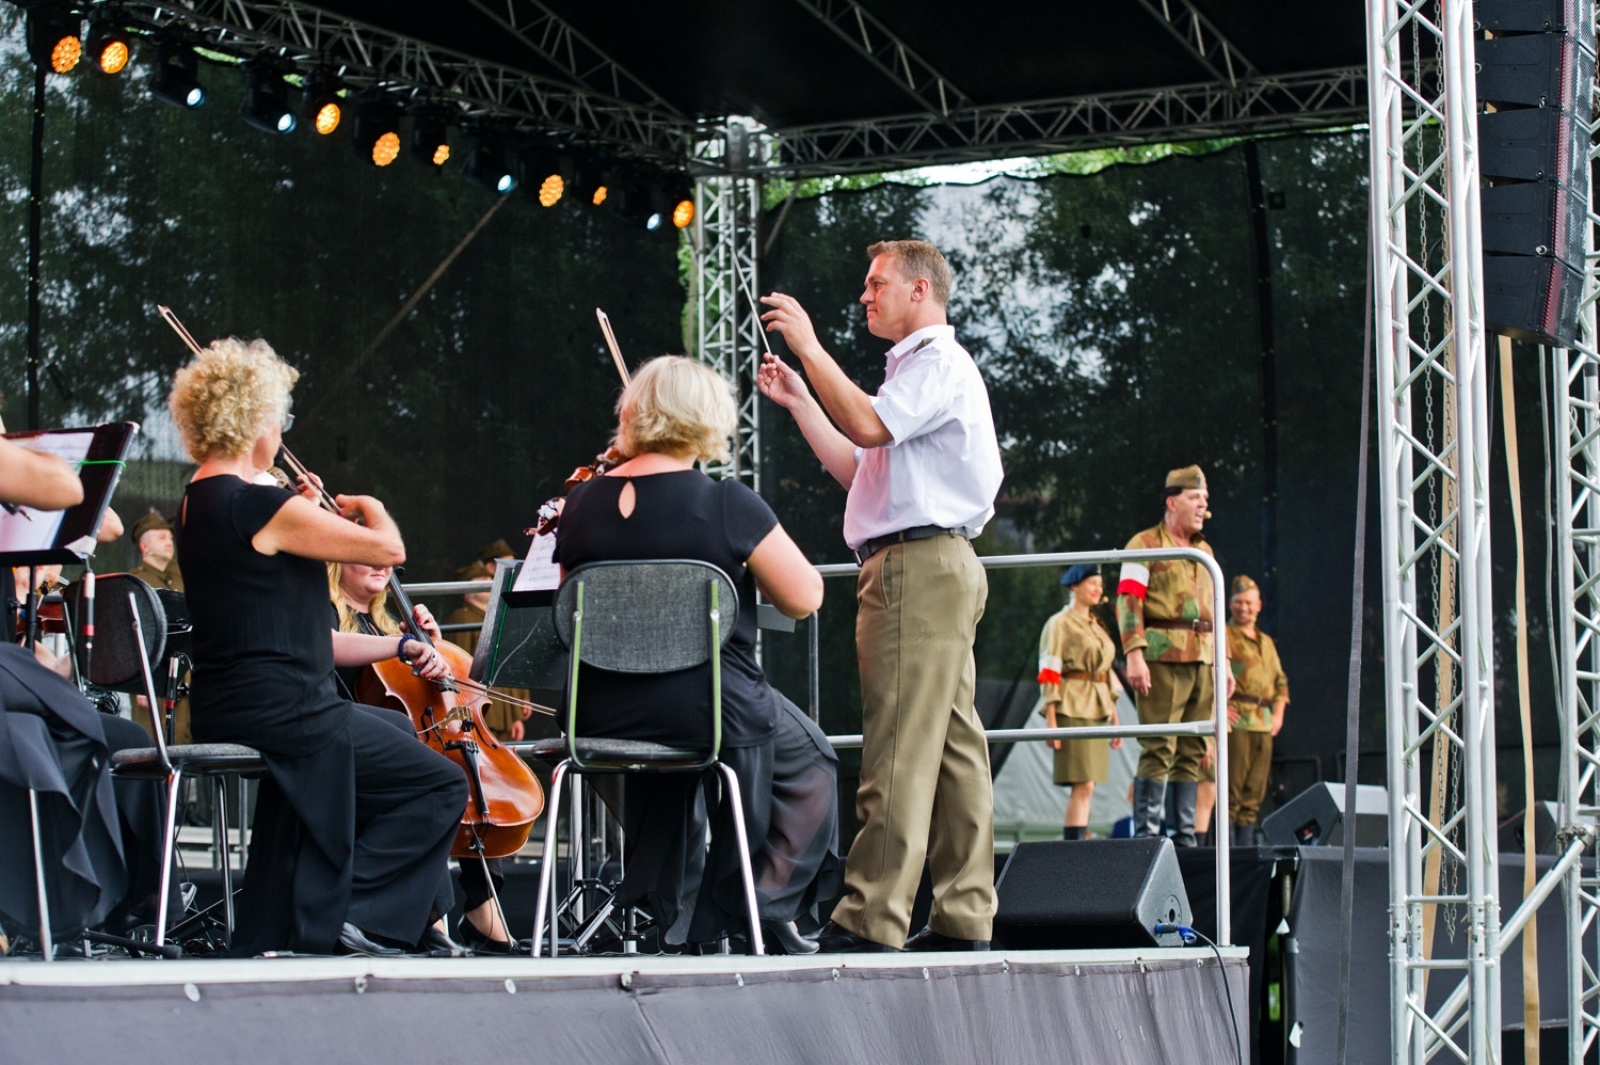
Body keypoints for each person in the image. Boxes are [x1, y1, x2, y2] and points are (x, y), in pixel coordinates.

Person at [168, 335, 469, 957]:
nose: (283, 430)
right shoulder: (258, 503)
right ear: (256, 420)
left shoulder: (201, 500)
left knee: (398, 739)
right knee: (440, 784)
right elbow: (388, 551)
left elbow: (277, 610)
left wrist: (300, 509)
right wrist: (372, 508)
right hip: (289, 709)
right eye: (281, 416)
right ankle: (353, 913)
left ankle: (295, 922)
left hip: (238, 701)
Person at [757, 238, 1003, 953]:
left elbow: (867, 424)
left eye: (877, 284)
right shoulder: (919, 372)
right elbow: (860, 467)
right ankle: (963, 914)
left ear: (920, 291)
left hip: (916, 570)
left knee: (896, 745)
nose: (865, 296)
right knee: (954, 750)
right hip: (929, 564)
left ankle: (870, 915)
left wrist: (809, 347)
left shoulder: (936, 363)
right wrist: (804, 399)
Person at [553, 354, 839, 954]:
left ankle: (673, 912)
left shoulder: (577, 507)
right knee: (812, 759)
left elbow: (573, 610)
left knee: (681, 769)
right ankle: (756, 907)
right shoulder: (726, 503)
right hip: (704, 707)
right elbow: (805, 596)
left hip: (601, 712)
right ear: (708, 419)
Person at [327, 559, 520, 954]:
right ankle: (434, 917)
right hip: (346, 741)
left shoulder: (391, 625)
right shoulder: (329, 616)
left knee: (463, 775)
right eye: (367, 556)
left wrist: (433, 645)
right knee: (437, 780)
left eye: (387, 559)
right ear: (337, 560)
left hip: (399, 739)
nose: (381, 566)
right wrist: (404, 650)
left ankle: (473, 906)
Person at [1116, 465, 1230, 847]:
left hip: (1203, 659)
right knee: (1159, 745)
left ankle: (1185, 841)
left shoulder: (1204, 550)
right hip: (1162, 658)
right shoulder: (1144, 543)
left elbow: (1216, 611)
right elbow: (1129, 600)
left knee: (1193, 749)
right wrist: (1134, 653)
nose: (1203, 506)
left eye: (1205, 500)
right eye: (1195, 498)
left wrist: (1224, 662)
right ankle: (1146, 840)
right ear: (1172, 501)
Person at [1036, 564, 1123, 840]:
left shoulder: (1096, 624)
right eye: (1091, 583)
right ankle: (1073, 843)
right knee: (1082, 782)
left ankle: (1078, 838)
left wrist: (1114, 714)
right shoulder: (1060, 623)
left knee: (1089, 784)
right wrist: (1051, 719)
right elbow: (1049, 669)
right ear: (1075, 586)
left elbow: (1106, 671)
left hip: (1097, 705)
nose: (1098, 588)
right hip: (1072, 704)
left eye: (1100, 584)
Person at [1224, 575, 1288, 846]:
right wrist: (1220, 708)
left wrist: (1278, 713)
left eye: (1249, 602)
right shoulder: (1223, 635)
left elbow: (1280, 681)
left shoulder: (1266, 641)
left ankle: (1245, 852)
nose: (1243, 608)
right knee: (1231, 796)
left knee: (1253, 796)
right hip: (1237, 722)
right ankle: (1227, 856)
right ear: (1229, 603)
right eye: (1238, 602)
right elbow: (1210, 675)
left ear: (1259, 605)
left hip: (1263, 722)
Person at [442, 559, 530, 742]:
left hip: (501, 708)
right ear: (468, 591)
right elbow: (460, 668)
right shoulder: (462, 617)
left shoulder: (495, 615)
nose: (487, 581)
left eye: (488, 577)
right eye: (480, 578)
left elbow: (508, 663)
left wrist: (514, 715)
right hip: (481, 707)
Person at [128, 510, 183, 593]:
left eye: (171, 538)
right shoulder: (137, 582)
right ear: (145, 546)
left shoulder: (182, 572)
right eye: (162, 537)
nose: (169, 543)